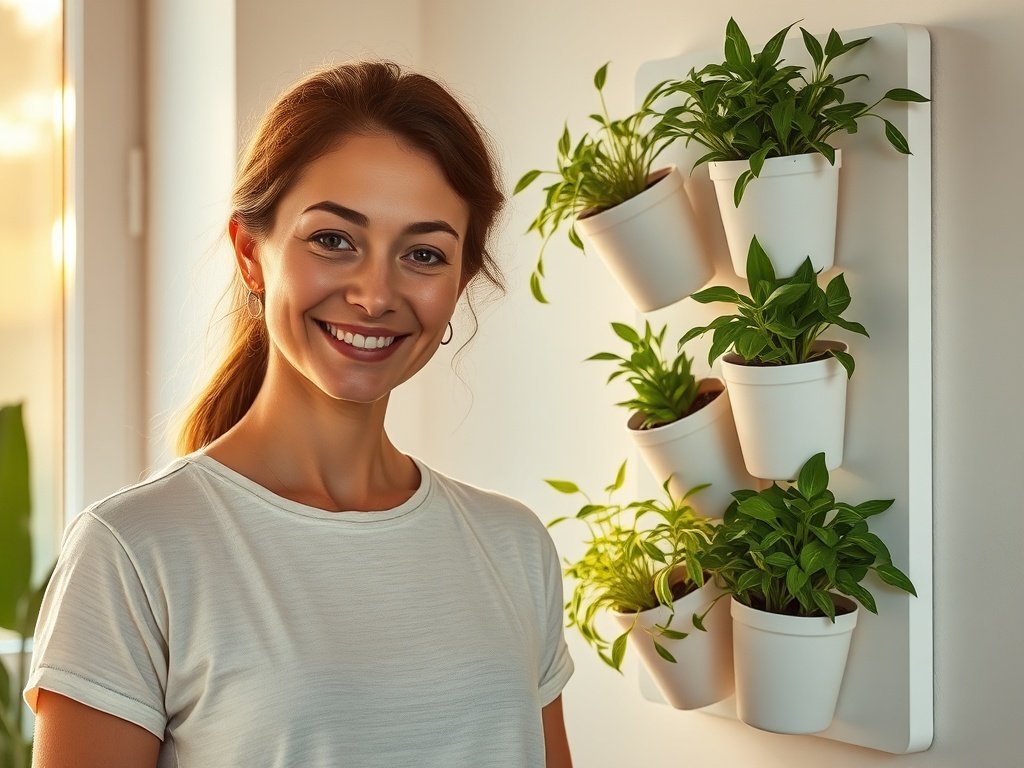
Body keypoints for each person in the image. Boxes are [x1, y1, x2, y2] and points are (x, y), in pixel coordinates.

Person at [25, 60, 574, 767]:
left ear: (461, 280)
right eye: (334, 240)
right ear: (251, 254)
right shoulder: (134, 551)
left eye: (424, 253)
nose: (376, 293)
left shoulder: (514, 547)